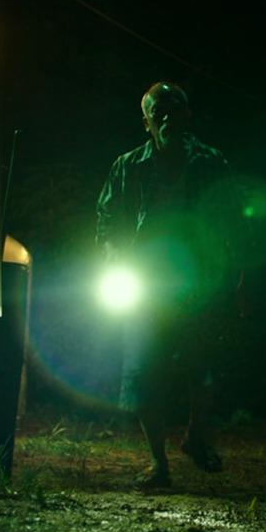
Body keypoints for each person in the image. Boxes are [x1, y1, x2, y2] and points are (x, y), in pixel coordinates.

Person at [96, 81, 238, 489]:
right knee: (143, 371)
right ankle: (158, 462)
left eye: (174, 110)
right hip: (145, 282)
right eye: (158, 113)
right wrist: (114, 259)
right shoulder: (127, 166)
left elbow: (230, 218)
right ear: (147, 123)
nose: (167, 119)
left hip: (198, 282)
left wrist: (230, 272)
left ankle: (196, 437)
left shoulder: (210, 162)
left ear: (187, 115)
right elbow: (107, 220)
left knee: (203, 367)